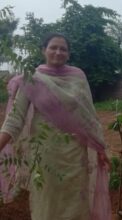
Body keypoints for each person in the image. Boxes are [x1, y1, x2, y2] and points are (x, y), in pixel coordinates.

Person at [0, 33, 111, 220]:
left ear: (68, 54)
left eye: (63, 49)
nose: (58, 52)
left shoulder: (78, 77)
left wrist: (100, 147)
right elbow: (15, 119)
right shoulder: (32, 79)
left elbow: (89, 116)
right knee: (47, 201)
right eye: (53, 47)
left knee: (76, 200)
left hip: (76, 155)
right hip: (45, 155)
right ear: (43, 50)